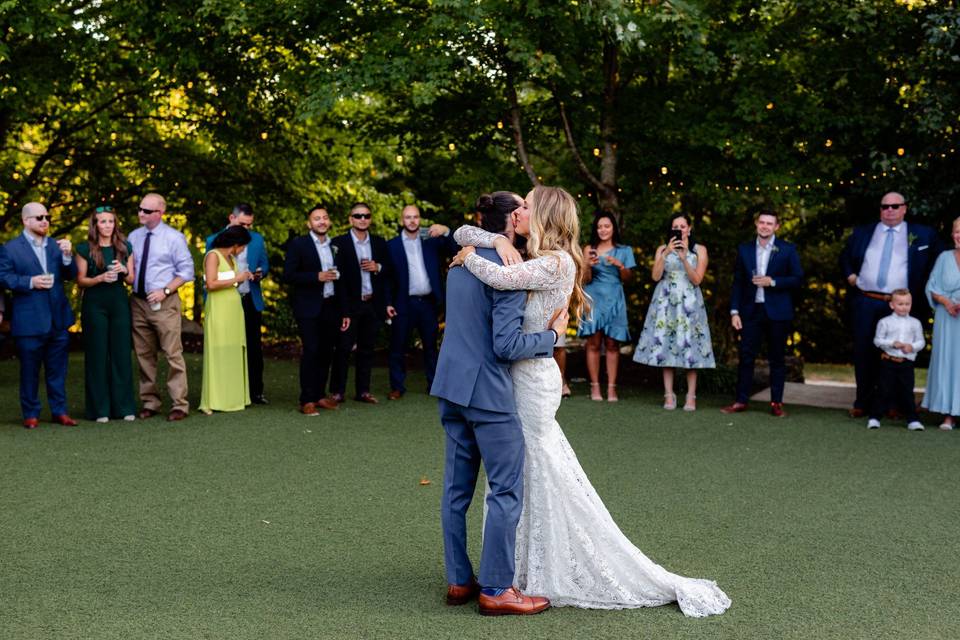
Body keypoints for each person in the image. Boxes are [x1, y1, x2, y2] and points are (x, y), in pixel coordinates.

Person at [451, 186, 730, 616]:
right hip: (518, 377)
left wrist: (470, 255)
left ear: (542, 215)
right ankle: (512, 573)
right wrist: (494, 239)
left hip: (533, 377)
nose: (519, 211)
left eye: (526, 205)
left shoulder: (556, 262)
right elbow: (462, 231)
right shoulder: (524, 252)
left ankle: (518, 575)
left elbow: (501, 280)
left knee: (535, 471)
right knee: (524, 474)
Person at [432, 191, 559, 616]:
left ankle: (457, 580)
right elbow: (505, 345)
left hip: (450, 385)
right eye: (521, 208)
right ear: (510, 220)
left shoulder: (463, 255)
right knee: (505, 489)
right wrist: (552, 338)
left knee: (455, 490)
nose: (527, 212)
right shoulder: (507, 266)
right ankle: (497, 588)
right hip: (487, 392)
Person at [840, 192, 940, 418]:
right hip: (867, 300)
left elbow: (938, 263)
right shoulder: (863, 232)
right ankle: (862, 403)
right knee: (864, 352)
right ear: (880, 210)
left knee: (899, 354)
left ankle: (895, 404)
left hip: (901, 304)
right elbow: (845, 257)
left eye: (895, 206)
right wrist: (850, 276)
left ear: (904, 208)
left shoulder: (922, 234)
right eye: (885, 207)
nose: (890, 210)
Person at [0, 202, 79, 428]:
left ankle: (59, 411)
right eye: (39, 217)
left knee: (58, 371)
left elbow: (70, 274)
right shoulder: (10, 248)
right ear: (26, 221)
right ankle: (31, 414)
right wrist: (30, 282)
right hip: (29, 320)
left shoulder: (56, 245)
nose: (45, 221)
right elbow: (4, 277)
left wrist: (66, 257)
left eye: (47, 217)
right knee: (29, 371)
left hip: (58, 319)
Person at [720, 211, 805, 418]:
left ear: (776, 227)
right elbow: (738, 282)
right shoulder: (745, 249)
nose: (765, 226)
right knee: (746, 357)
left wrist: (773, 281)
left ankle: (776, 402)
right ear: (756, 224)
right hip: (751, 311)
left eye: (770, 223)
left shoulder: (787, 249)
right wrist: (734, 311)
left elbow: (797, 279)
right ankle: (741, 400)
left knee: (777, 358)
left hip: (778, 311)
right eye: (762, 222)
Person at [633, 213, 715, 411]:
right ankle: (669, 395)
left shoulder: (699, 250)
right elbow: (655, 276)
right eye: (675, 226)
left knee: (691, 349)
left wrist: (684, 257)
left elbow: (697, 279)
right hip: (665, 301)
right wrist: (666, 253)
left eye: (683, 226)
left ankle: (691, 396)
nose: (680, 229)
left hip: (690, 302)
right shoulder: (662, 249)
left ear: (689, 228)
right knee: (665, 347)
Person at [128, 193, 195, 422]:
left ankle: (179, 404)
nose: (141, 213)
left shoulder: (174, 238)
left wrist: (165, 291)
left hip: (164, 303)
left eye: (146, 211)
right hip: (138, 302)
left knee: (172, 353)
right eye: (139, 209)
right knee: (144, 354)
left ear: (160, 213)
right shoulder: (134, 236)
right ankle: (150, 402)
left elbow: (186, 271)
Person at [282, 205, 350, 415]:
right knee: (311, 350)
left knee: (326, 352)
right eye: (316, 218)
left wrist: (345, 311)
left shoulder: (336, 245)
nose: (321, 221)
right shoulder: (299, 244)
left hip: (332, 305)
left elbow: (344, 280)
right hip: (308, 307)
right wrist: (316, 277)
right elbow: (288, 275)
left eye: (325, 218)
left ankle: (320, 395)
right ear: (309, 223)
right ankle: (307, 399)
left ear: (329, 222)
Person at [385, 204, 456, 400]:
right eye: (408, 217)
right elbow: (387, 278)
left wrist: (446, 230)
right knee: (398, 347)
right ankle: (397, 387)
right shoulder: (392, 246)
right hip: (403, 303)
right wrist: (388, 302)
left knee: (431, 347)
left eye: (415, 217)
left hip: (428, 304)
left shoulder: (431, 242)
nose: (412, 221)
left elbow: (455, 249)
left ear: (420, 219)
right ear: (402, 221)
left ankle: (434, 385)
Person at [75, 205, 137, 423]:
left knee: (121, 354)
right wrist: (100, 278)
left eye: (111, 221)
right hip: (94, 303)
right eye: (103, 221)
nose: (107, 225)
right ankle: (99, 409)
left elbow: (131, 280)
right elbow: (80, 280)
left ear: (115, 223)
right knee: (97, 354)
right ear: (95, 224)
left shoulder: (125, 247)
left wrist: (124, 271)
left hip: (119, 302)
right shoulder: (84, 248)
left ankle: (124, 406)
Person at [205, 204, 269, 404]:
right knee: (225, 346)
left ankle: (255, 392)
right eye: (243, 224)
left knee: (253, 347)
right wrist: (236, 279)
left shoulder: (257, 239)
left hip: (249, 299)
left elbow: (265, 264)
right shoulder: (212, 242)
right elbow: (210, 277)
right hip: (223, 301)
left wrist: (260, 273)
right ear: (231, 217)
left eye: (250, 224)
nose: (247, 228)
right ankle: (225, 391)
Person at [331, 202, 392, 404]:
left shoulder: (379, 242)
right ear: (350, 219)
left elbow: (390, 270)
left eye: (366, 215)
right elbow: (337, 280)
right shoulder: (338, 243)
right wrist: (343, 309)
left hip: (372, 304)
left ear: (370, 219)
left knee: (367, 349)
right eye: (358, 216)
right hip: (349, 305)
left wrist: (378, 266)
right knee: (343, 348)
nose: (362, 219)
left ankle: (363, 391)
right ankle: (337, 391)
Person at [577, 211, 636, 402]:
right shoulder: (588, 249)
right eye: (599, 226)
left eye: (607, 226)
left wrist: (620, 265)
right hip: (594, 298)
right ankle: (595, 387)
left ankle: (611, 388)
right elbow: (583, 280)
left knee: (612, 344)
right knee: (593, 343)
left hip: (615, 298)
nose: (603, 230)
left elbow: (629, 279)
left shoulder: (624, 250)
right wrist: (588, 265)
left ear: (613, 228)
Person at [199, 226, 253, 414]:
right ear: (236, 244)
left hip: (233, 307)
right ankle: (213, 400)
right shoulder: (213, 256)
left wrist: (242, 278)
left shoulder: (232, 258)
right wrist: (237, 278)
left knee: (233, 348)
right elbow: (211, 284)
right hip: (219, 307)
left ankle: (233, 397)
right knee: (218, 349)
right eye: (243, 246)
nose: (244, 250)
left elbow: (231, 281)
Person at [866, 289, 925, 431]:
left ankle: (913, 420)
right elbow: (877, 340)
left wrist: (912, 347)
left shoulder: (915, 323)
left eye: (907, 304)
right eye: (900, 304)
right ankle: (874, 418)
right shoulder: (884, 322)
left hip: (906, 363)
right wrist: (892, 343)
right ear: (892, 305)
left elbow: (921, 341)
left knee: (907, 391)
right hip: (888, 361)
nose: (904, 307)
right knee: (883, 390)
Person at [921, 216, 960, 430]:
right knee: (948, 363)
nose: (958, 236)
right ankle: (948, 415)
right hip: (947, 318)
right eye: (956, 232)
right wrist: (946, 301)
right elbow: (932, 286)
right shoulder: (944, 257)